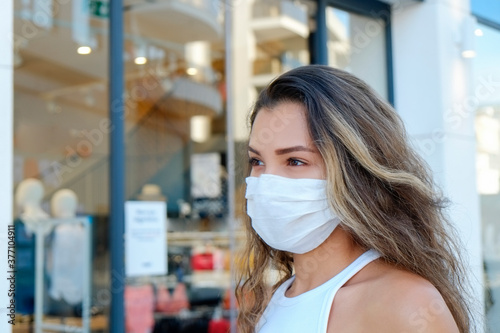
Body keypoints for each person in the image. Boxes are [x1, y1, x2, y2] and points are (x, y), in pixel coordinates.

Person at [235, 65, 472, 333]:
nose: (267, 182)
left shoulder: (406, 304)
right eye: (257, 161)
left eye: (295, 161)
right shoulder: (268, 302)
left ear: (354, 171)